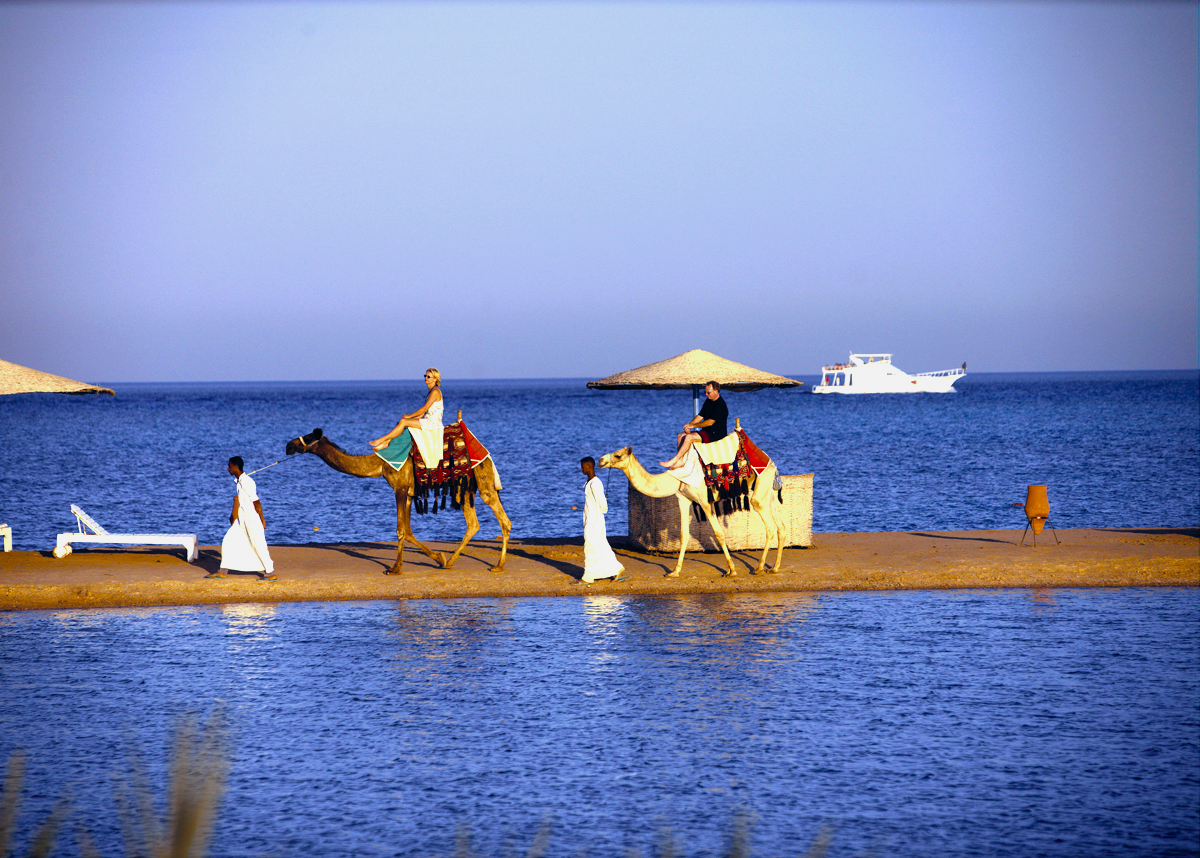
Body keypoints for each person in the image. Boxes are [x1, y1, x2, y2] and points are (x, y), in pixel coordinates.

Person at [207, 456, 276, 581]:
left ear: (235, 466)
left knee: (258, 544)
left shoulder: (247, 482)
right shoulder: (240, 481)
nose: (228, 468)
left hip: (251, 519)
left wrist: (262, 520)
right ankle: (223, 571)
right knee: (228, 540)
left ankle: (270, 573)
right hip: (242, 519)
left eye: (229, 466)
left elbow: (257, 503)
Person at [370, 368, 444, 452]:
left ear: (435, 379)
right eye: (425, 376)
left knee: (403, 422)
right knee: (402, 422)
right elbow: (426, 413)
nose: (426, 378)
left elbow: (424, 409)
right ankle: (387, 442)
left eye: (428, 376)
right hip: (427, 419)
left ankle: (381, 440)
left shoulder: (435, 392)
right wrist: (410, 418)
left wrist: (410, 416)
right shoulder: (431, 391)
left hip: (433, 423)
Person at [660, 380, 728, 470]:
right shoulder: (708, 401)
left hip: (716, 434)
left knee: (689, 437)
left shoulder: (721, 405)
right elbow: (700, 416)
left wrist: (694, 426)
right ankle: (680, 460)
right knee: (681, 435)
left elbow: (710, 422)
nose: (706, 394)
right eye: (705, 392)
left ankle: (674, 460)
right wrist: (690, 424)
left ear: (716, 391)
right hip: (707, 431)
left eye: (709, 392)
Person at [579, 457, 625, 584]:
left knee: (590, 545)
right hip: (590, 519)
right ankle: (617, 568)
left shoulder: (596, 483)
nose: (581, 469)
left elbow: (604, 507)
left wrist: (600, 506)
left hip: (595, 521)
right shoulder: (589, 482)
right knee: (601, 545)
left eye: (583, 466)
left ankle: (588, 577)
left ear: (589, 467)